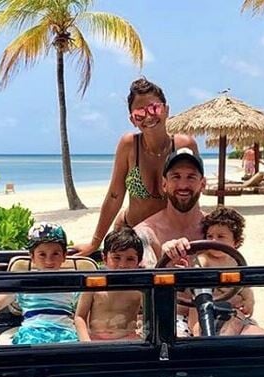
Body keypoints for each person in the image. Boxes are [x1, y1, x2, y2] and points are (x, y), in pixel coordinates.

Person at [74, 78, 198, 256]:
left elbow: (193, 192)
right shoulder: (129, 145)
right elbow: (115, 195)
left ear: (166, 110)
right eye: (139, 113)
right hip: (131, 236)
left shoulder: (184, 145)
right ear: (133, 119)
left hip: (170, 237)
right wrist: (95, 243)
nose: (148, 116)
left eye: (154, 108)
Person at [0, 223, 78, 346]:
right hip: (31, 334)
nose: (49, 261)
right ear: (32, 257)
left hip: (65, 334)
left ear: (64, 256)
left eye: (55, 254)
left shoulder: (72, 282)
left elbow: (85, 312)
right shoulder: (23, 282)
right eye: (42, 255)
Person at [188, 207, 264, 336]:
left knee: (263, 336)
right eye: (210, 236)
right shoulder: (203, 260)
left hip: (233, 315)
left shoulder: (236, 261)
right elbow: (197, 284)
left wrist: (249, 301)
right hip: (205, 313)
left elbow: (245, 289)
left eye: (221, 237)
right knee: (213, 330)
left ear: (235, 242)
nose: (214, 241)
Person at [135, 147, 206, 267]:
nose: (183, 185)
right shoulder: (146, 233)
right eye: (176, 177)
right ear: (164, 184)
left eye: (191, 177)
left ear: (203, 184)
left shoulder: (216, 229)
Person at [74, 228, 144, 341]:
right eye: (116, 258)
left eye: (130, 259)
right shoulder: (94, 284)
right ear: (104, 258)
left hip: (127, 340)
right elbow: (80, 316)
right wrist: (86, 343)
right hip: (94, 340)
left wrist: (142, 332)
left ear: (138, 262)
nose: (122, 265)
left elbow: (151, 315)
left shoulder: (139, 289)